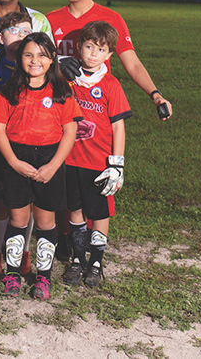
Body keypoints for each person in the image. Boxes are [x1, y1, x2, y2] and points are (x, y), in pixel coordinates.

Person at [0, 33, 81, 300]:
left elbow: (69, 131)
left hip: (49, 161)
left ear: (52, 58)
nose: (35, 60)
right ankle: (12, 274)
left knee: (45, 221)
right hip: (17, 160)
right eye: (29, 54)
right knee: (18, 220)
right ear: (20, 58)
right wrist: (13, 162)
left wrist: (54, 165)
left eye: (42, 55)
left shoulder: (62, 90)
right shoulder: (9, 90)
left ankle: (43, 277)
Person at [47, 0, 172, 119]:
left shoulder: (112, 19)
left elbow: (133, 64)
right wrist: (58, 62)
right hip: (60, 102)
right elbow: (40, 60)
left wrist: (155, 94)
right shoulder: (50, 20)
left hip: (97, 101)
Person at [62, 21, 131, 288]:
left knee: (99, 212)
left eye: (99, 49)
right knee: (76, 210)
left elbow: (118, 126)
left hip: (99, 162)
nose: (92, 54)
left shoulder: (111, 85)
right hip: (70, 159)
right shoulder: (69, 78)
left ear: (109, 55)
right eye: (88, 46)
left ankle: (97, 262)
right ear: (79, 47)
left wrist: (117, 164)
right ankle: (78, 259)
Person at [0, 12, 36, 277]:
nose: (21, 37)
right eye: (14, 31)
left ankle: (24, 249)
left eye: (26, 31)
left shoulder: (39, 68)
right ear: (1, 38)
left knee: (28, 202)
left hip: (29, 145)